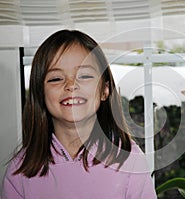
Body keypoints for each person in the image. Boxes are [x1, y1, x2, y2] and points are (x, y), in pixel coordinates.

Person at [1, 29, 157, 199]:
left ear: (105, 90)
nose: (71, 85)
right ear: (40, 93)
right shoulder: (20, 170)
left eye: (84, 75)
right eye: (56, 78)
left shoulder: (129, 160)